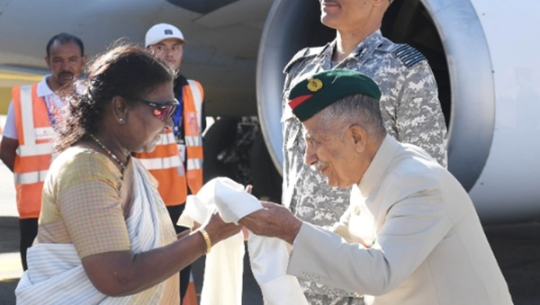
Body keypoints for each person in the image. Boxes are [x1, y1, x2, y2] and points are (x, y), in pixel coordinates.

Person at [241, 70, 512, 305]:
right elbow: (345, 240)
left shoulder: (418, 184)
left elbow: (380, 273)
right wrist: (270, 232)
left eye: (315, 142)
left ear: (356, 137)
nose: (309, 157)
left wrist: (290, 229)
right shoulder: (382, 173)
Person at [14, 44, 241, 304]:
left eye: (173, 109)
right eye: (161, 110)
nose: (169, 122)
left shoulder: (118, 161)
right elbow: (118, 276)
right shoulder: (85, 169)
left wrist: (209, 229)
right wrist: (207, 237)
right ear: (120, 108)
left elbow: (144, 253)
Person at [281, 0, 447, 302]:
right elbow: (294, 169)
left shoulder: (403, 70)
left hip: (359, 280)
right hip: (297, 276)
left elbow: (428, 178)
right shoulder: (301, 69)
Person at [0, 33, 86, 271]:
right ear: (47, 61)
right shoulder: (24, 99)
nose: (65, 66)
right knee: (36, 279)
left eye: (72, 59)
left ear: (83, 61)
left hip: (83, 204)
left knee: (81, 278)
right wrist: (27, 173)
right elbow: (7, 149)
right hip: (35, 209)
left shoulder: (93, 98)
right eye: (58, 60)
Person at [133, 22, 206, 301]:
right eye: (161, 48)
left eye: (175, 48)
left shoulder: (195, 91)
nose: (169, 54)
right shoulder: (137, 92)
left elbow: (196, 141)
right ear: (148, 51)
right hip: (150, 197)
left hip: (186, 198)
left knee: (181, 271)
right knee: (150, 275)